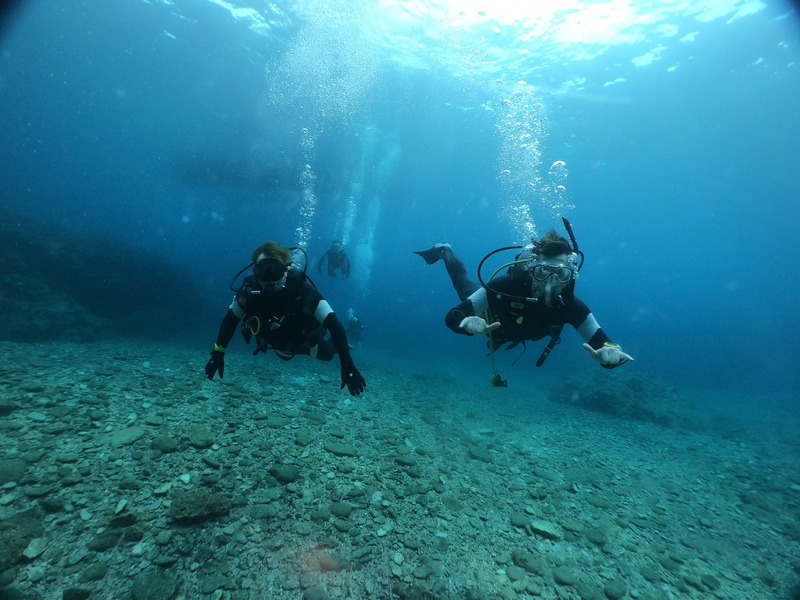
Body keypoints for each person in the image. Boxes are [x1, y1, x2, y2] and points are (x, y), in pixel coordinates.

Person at [414, 226, 633, 382]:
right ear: (531, 269)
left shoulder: (571, 306)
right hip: (489, 315)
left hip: (507, 329)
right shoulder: (505, 286)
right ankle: (445, 250)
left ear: (571, 276)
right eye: (543, 272)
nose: (550, 282)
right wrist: (466, 325)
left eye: (561, 275)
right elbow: (453, 316)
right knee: (462, 284)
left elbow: (605, 344)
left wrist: (610, 357)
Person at [204, 241, 366, 396]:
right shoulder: (249, 290)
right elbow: (231, 319)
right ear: (255, 271)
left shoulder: (304, 291)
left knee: (327, 355)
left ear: (286, 269)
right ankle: (292, 348)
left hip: (305, 340)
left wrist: (347, 365)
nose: (269, 278)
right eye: (263, 270)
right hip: (277, 342)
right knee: (283, 355)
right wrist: (218, 353)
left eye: (274, 269)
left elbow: (334, 323)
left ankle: (333, 347)